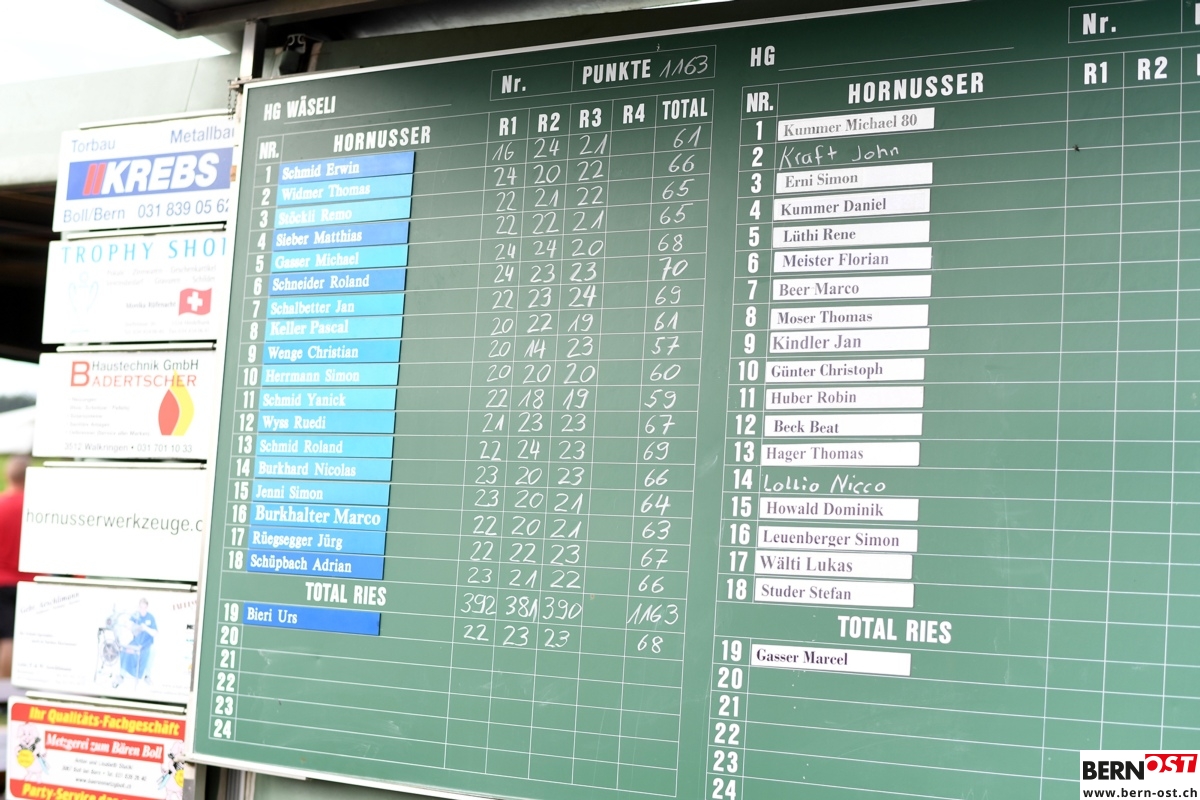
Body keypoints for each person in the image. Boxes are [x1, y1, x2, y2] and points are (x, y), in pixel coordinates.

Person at [0, 455, 32, 678]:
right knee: (17, 637)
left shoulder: (1, 504)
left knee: (6, 638)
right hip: (30, 581)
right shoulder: (36, 507)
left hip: (2, 580)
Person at [120, 598, 158, 685]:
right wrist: (129, 625)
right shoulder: (136, 615)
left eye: (144, 608)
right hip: (136, 642)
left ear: (147, 607)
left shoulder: (151, 617)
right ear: (138, 607)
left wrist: (146, 628)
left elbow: (155, 633)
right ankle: (121, 675)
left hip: (147, 643)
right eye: (141, 607)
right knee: (125, 651)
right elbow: (128, 624)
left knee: (152, 651)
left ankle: (147, 676)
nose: (142, 610)